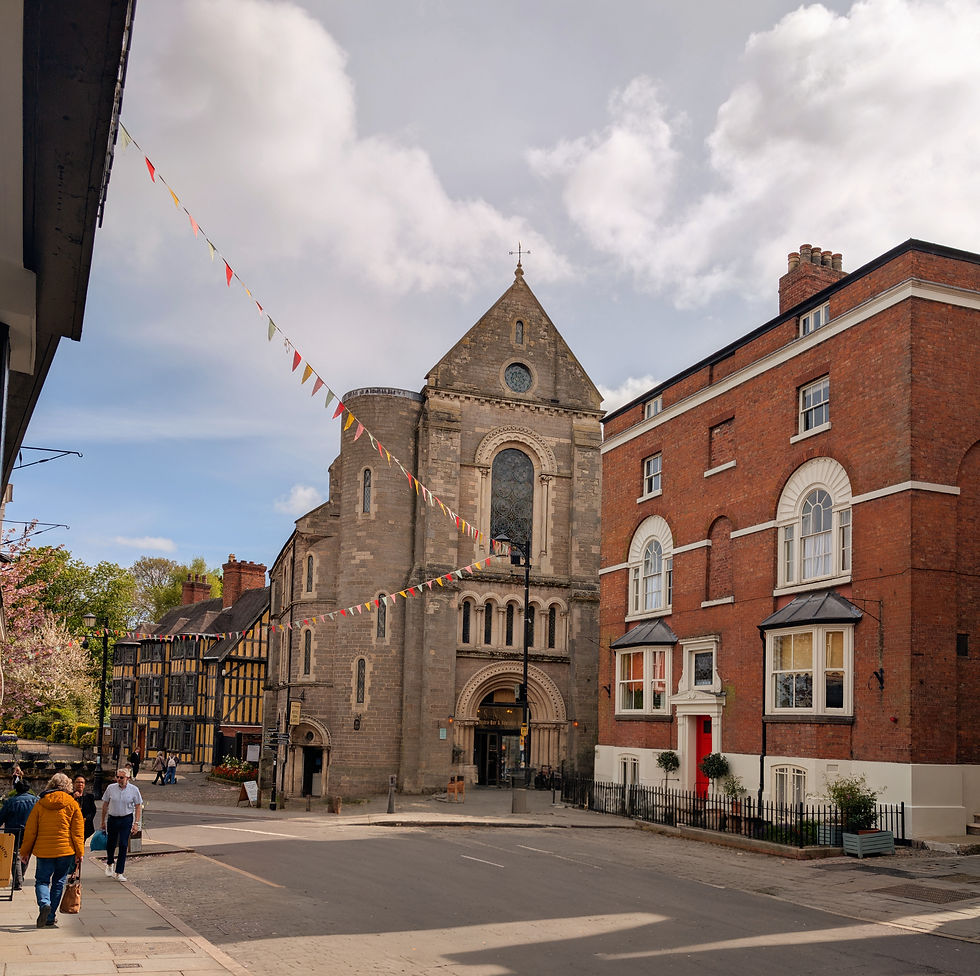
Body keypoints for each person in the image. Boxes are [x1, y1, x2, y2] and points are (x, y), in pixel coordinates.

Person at [19, 772, 83, 927]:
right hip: (65, 851)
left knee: (41, 881)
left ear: (51, 784)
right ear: (67, 785)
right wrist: (79, 853)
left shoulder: (40, 803)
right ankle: (50, 916)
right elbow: (77, 832)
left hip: (44, 851)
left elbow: (31, 830)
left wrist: (25, 851)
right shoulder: (72, 803)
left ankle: (44, 904)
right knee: (58, 882)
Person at [100, 768, 142, 881]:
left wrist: (136, 823)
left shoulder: (134, 790)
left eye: (121, 777)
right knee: (111, 843)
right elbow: (105, 804)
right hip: (113, 818)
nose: (119, 779)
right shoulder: (110, 788)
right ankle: (109, 863)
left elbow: (138, 806)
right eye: (117, 777)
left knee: (123, 844)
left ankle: (119, 872)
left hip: (126, 819)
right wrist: (103, 821)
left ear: (127, 778)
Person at [0, 779, 38, 890]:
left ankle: (17, 880)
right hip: (30, 831)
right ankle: (21, 877)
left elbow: (1, 817)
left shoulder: (11, 801)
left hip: (13, 831)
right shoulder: (35, 800)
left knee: (14, 855)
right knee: (26, 854)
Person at [71, 775, 97, 840]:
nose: (80, 784)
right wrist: (73, 798)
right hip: (73, 825)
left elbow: (93, 811)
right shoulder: (69, 796)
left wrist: (86, 819)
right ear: (74, 784)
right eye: (78, 782)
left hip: (85, 825)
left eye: (82, 782)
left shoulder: (89, 797)